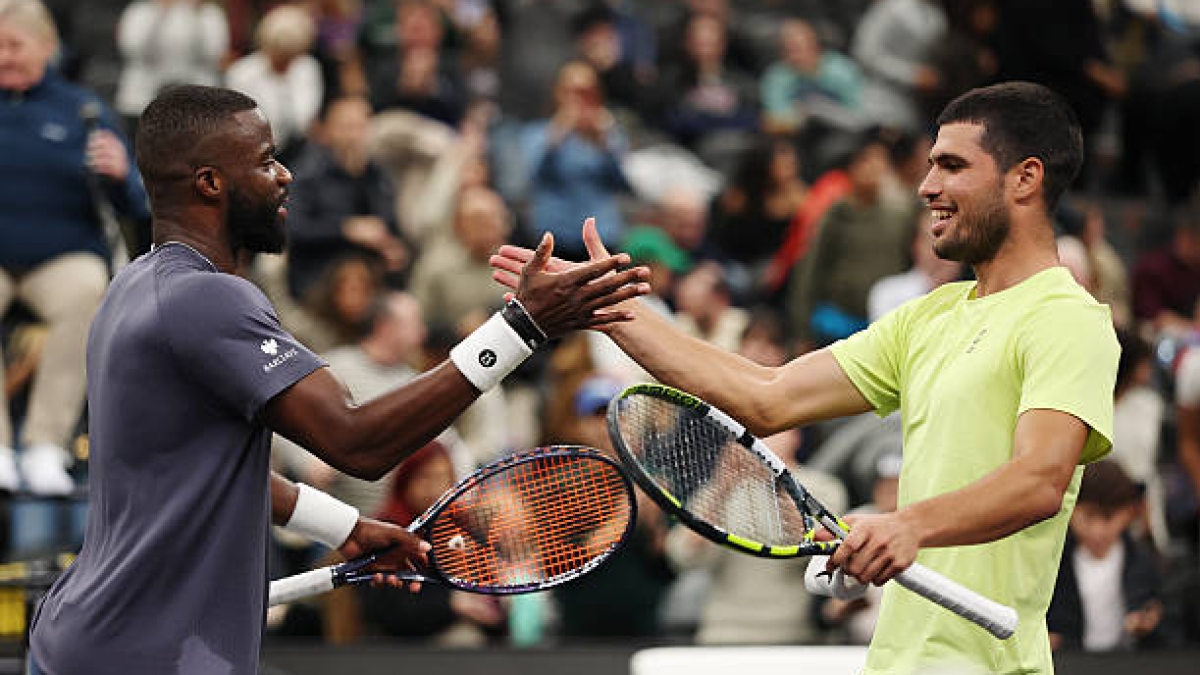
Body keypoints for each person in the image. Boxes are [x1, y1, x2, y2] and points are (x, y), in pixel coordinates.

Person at [493, 81, 1119, 674]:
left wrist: (908, 524)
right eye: (930, 166)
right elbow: (767, 397)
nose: (926, 186)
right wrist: (609, 310)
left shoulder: (1067, 319)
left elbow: (1039, 480)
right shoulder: (930, 317)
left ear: (1026, 179)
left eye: (952, 165)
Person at [28, 84, 649, 675]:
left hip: (88, 643)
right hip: (147, 658)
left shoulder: (132, 288)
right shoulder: (207, 301)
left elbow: (204, 465)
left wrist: (343, 527)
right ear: (210, 183)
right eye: (268, 160)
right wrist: (521, 327)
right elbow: (358, 442)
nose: (285, 176)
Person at [0, 0, 151, 495]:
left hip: (63, 254)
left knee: (89, 289)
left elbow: (134, 202)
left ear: (47, 46)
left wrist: (119, 173)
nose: (4, 57)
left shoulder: (82, 109)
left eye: (14, 46)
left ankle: (46, 443)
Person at [1047, 460, 1165, 651]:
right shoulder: (1052, 565)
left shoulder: (1146, 563)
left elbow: (1167, 623)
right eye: (1088, 517)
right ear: (1069, 509)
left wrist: (1149, 624)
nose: (1098, 531)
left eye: (1109, 517)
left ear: (1129, 512)